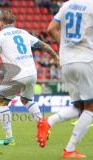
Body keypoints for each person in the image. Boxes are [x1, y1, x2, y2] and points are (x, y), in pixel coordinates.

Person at [0, 10, 59, 145]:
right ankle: (43, 126)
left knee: (3, 103)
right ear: (13, 22)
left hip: (16, 74)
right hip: (32, 73)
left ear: (1, 22)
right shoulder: (24, 33)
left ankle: (9, 138)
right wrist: (55, 56)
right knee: (26, 100)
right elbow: (44, 45)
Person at [37, 0, 93, 158]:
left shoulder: (67, 5)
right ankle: (69, 149)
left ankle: (48, 122)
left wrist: (66, 47)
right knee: (91, 107)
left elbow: (51, 28)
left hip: (66, 61)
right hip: (85, 60)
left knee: (79, 107)